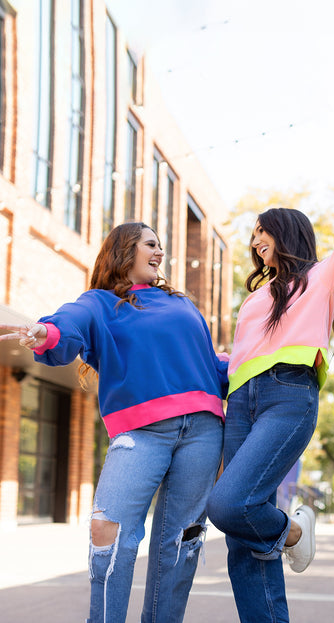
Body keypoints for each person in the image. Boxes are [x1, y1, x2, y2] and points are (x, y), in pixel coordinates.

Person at [207, 127, 334, 623]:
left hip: (287, 396)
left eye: (262, 230)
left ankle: (295, 531)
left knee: (229, 504)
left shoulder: (321, 279)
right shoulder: (256, 297)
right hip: (240, 402)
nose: (255, 240)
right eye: (253, 234)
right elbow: (236, 363)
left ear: (286, 232)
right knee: (242, 541)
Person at [0, 222, 228, 623]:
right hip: (141, 433)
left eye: (161, 246)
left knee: (182, 542)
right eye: (151, 244)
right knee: (107, 531)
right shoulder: (100, 303)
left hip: (204, 432)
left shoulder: (183, 305)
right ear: (125, 249)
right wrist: (45, 332)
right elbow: (66, 324)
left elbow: (213, 365)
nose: (160, 252)